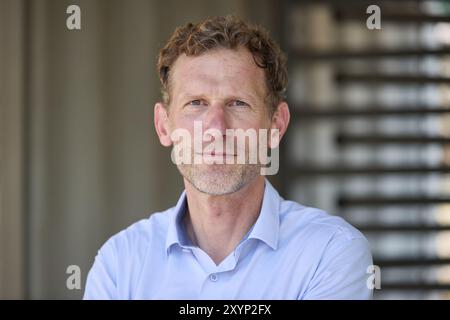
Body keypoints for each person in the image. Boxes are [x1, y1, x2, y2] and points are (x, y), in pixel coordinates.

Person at [84, 15, 373, 300]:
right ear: (164, 126)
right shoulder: (119, 264)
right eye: (196, 103)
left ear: (276, 125)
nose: (216, 128)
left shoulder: (330, 252)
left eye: (238, 103)